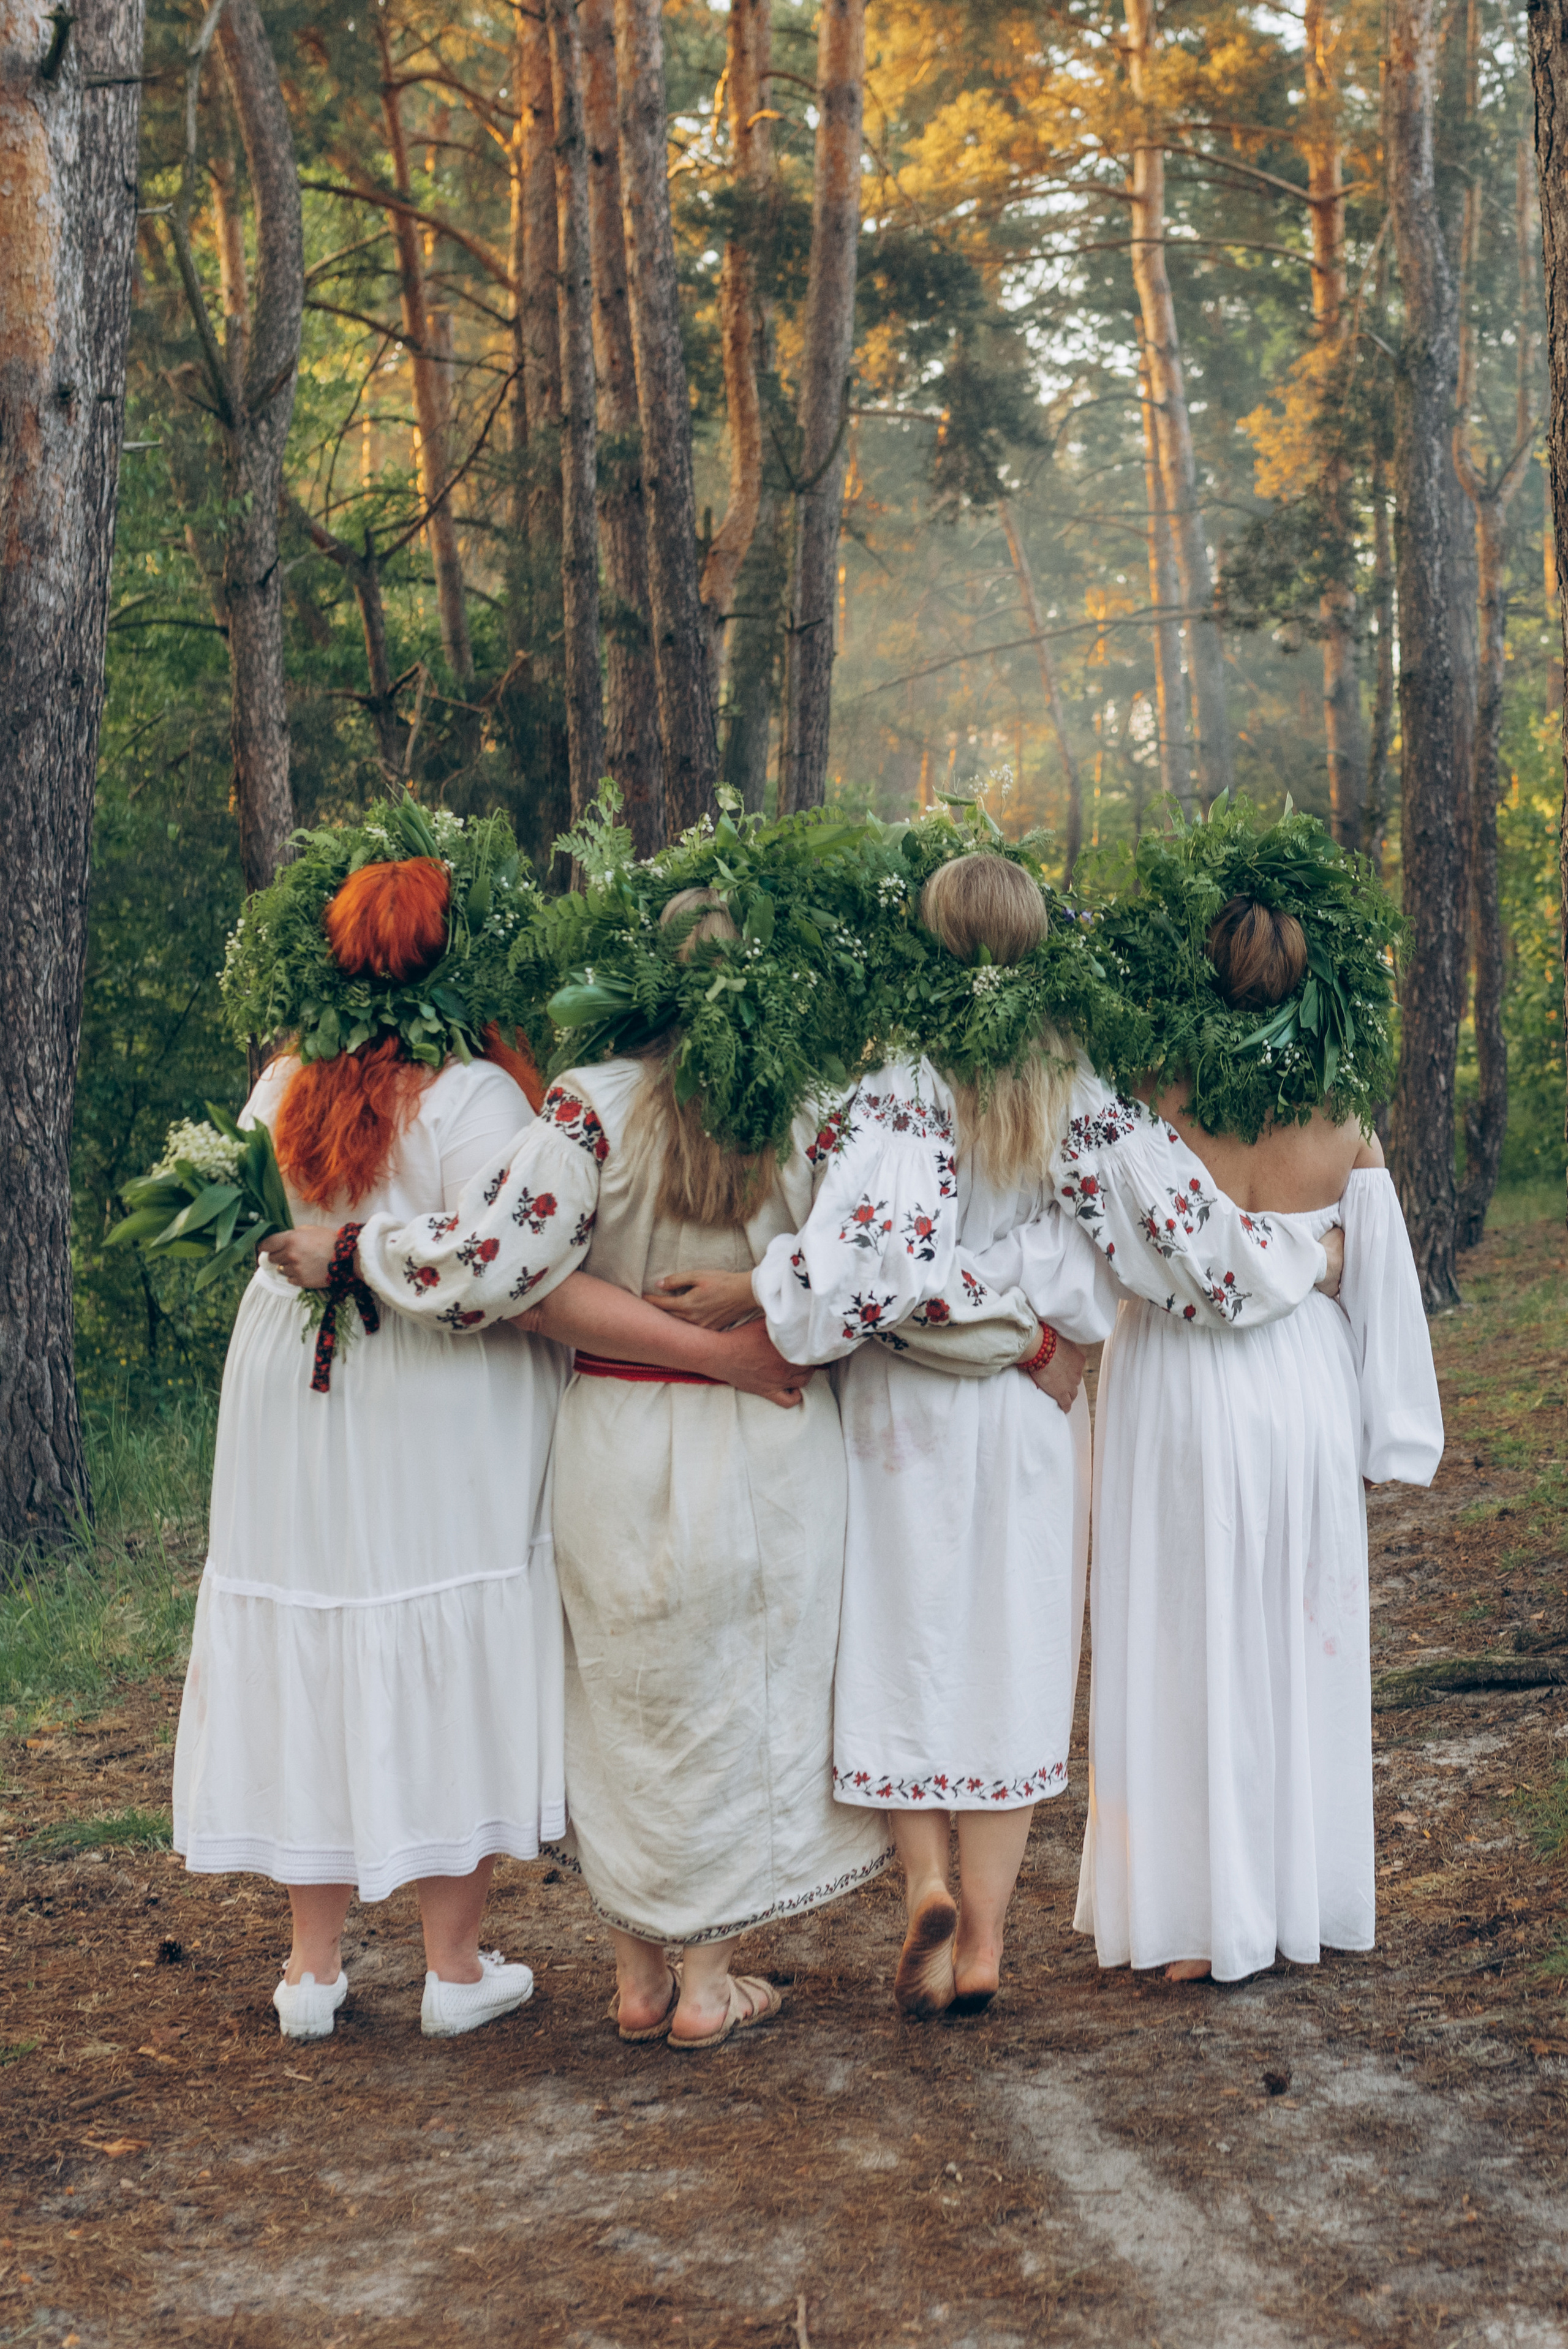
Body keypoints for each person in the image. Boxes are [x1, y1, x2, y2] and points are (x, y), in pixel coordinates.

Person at [266, 886, 1060, 2049]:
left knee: (626, 1700)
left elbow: (496, 1259)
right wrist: (1026, 1337)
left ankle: (638, 1982)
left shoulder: (588, 1108)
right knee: (743, 1706)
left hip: (619, 1434)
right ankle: (708, 1981)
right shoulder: (814, 1116)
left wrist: (363, 1249)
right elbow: (885, 1276)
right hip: (776, 1438)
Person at [645, 853, 1348, 2018]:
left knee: (898, 1636)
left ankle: (924, 1880)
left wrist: (763, 1286)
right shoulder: (1077, 1089)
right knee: (1013, 1648)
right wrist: (1307, 1257)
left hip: (901, 1408)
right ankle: (984, 1949)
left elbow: (860, 1264)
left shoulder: (901, 1085)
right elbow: (1188, 1240)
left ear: (929, 941)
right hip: (1027, 1406)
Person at [178, 849, 802, 2044]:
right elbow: (503, 1276)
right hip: (426, 1380)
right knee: (437, 1618)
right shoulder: (476, 1098)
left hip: (289, 1379)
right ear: (458, 956)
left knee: (312, 1616)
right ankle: (451, 1965)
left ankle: (311, 1969)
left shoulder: (280, 1083)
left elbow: (262, 1227)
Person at [1064, 894, 1444, 1984]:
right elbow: (1384, 1290)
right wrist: (1390, 1437)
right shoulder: (1342, 1116)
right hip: (1302, 1389)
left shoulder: (1146, 1106)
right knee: (1292, 1630)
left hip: (1174, 1387)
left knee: (1182, 1633)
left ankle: (1190, 1916)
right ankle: (1290, 1899)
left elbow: (1100, 1256)